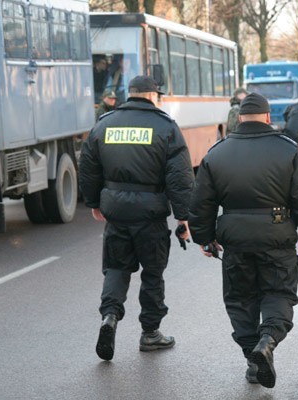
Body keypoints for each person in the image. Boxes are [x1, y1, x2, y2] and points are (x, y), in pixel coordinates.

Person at [188, 93, 298, 388]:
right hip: (277, 237)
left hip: (235, 241)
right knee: (278, 294)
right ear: (267, 117)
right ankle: (267, 342)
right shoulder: (287, 150)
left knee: (240, 299)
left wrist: (204, 237)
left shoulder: (217, 153)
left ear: (239, 118)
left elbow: (201, 203)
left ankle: (254, 360)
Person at [79, 75, 195, 361]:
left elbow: (89, 168)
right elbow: (179, 178)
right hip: (150, 213)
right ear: (154, 96)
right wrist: (184, 217)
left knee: (117, 269)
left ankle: (109, 317)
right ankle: (151, 333)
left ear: (130, 94)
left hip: (116, 212)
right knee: (152, 273)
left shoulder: (104, 123)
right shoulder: (165, 126)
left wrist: (94, 202)